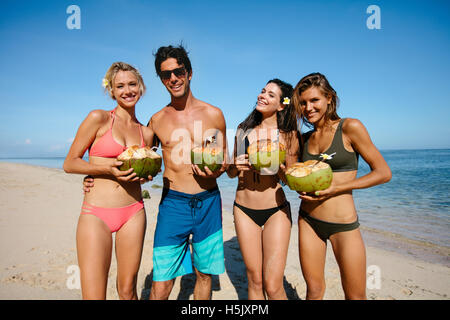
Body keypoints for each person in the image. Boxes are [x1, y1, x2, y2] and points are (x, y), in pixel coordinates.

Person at [290, 72, 392, 300]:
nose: (308, 108)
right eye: (303, 103)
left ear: (329, 98)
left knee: (355, 296)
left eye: (314, 100)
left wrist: (337, 188)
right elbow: (294, 175)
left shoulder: (350, 127)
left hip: (343, 226)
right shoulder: (304, 138)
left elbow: (383, 173)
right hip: (309, 222)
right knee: (314, 292)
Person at [63, 62, 153, 299]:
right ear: (111, 91)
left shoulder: (147, 133)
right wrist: (104, 171)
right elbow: (70, 162)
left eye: (132, 84)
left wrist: (147, 175)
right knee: (94, 295)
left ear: (141, 87)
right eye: (120, 86)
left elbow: (145, 171)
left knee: (127, 291)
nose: (127, 90)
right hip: (96, 214)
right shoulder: (98, 118)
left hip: (134, 212)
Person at [227, 79, 299, 299]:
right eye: (262, 91)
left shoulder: (289, 135)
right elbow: (230, 172)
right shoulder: (243, 129)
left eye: (270, 95)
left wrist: (280, 170)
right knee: (255, 279)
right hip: (244, 210)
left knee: (273, 284)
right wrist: (233, 164)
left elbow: (292, 181)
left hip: (275, 211)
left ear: (281, 105)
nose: (262, 96)